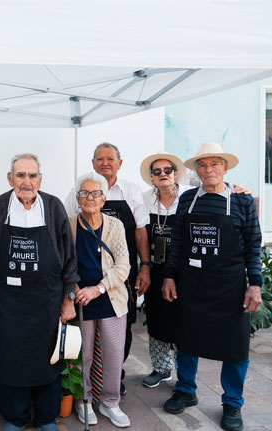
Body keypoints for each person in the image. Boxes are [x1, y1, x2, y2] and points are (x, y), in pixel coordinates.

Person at [0, 153, 79, 431]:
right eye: (20, 175)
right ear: (10, 179)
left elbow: (69, 257)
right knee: (12, 357)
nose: (26, 181)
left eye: (32, 175)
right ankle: (15, 417)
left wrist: (68, 298)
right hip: (10, 301)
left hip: (47, 299)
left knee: (48, 357)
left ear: (40, 179)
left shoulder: (53, 207)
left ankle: (46, 417)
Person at [162, 142, 262, 431]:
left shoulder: (242, 201)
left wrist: (255, 284)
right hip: (192, 285)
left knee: (236, 347)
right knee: (187, 340)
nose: (208, 170)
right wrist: (169, 276)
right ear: (197, 170)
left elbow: (253, 245)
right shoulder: (187, 199)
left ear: (225, 168)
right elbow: (177, 242)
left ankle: (232, 403)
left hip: (230, 288)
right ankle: (186, 390)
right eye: (202, 165)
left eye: (214, 164)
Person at [64, 142, 151, 395]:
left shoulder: (131, 192)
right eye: (99, 159)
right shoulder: (77, 193)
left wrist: (145, 266)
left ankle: (113, 384)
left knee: (118, 339)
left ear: (119, 163)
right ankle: (85, 396)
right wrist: (72, 285)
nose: (105, 163)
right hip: (81, 291)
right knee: (83, 351)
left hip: (117, 278)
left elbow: (141, 231)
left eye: (110, 159)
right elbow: (64, 233)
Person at [69, 172, 132, 428]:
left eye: (96, 193)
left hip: (110, 297)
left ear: (104, 199)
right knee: (81, 356)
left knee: (113, 354)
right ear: (77, 199)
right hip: (80, 300)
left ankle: (110, 402)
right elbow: (62, 262)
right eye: (84, 193)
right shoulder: (69, 224)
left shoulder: (115, 226)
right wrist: (73, 286)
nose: (90, 198)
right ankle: (83, 400)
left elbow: (124, 265)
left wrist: (98, 288)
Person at [138, 152, 191, 388]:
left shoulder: (189, 197)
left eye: (167, 170)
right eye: (157, 172)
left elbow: (220, 191)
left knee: (183, 321)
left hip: (183, 270)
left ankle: (185, 375)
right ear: (152, 177)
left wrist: (239, 190)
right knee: (157, 318)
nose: (163, 175)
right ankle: (161, 368)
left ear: (175, 174)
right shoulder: (143, 199)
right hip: (155, 267)